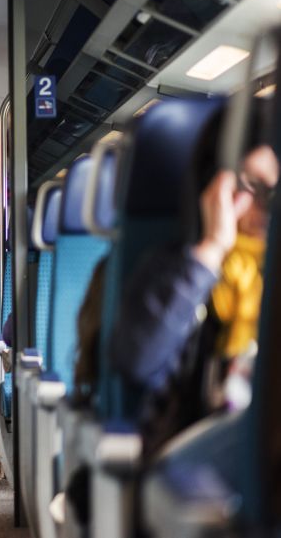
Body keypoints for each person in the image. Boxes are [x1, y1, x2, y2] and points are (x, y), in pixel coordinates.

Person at [109, 105, 277, 461]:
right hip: (197, 468)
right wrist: (213, 249)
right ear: (215, 184)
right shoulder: (178, 272)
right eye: (254, 187)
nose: (266, 209)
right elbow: (138, 360)